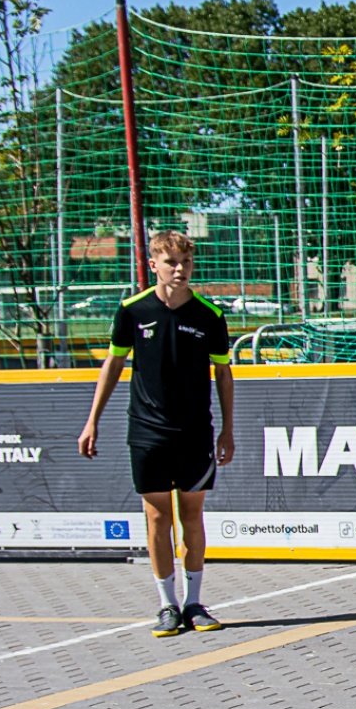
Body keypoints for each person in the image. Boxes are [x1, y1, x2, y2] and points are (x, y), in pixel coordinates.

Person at [77, 230, 234, 638]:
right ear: (153, 265)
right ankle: (167, 605)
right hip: (147, 432)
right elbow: (113, 365)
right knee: (157, 517)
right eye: (171, 262)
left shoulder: (209, 315)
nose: (180, 269)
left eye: (186, 261)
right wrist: (92, 421)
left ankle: (194, 603)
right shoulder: (132, 310)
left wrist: (227, 429)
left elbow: (223, 372)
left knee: (192, 517)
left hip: (194, 432)